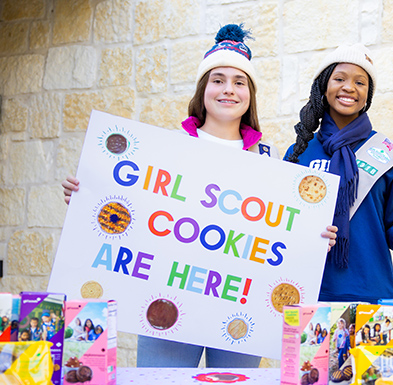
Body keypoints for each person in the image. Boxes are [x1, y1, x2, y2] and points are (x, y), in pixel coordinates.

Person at [61, 24, 338, 368]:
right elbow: (134, 210)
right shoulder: (164, 149)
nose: (228, 90)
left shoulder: (269, 161)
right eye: (218, 80)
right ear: (203, 89)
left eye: (239, 82)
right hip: (166, 304)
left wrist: (313, 238)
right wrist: (88, 196)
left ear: (250, 95)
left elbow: (280, 230)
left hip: (241, 308)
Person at [284, 43, 393, 304]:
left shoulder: (386, 155)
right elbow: (280, 225)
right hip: (308, 292)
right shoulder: (300, 152)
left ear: (367, 95)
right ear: (323, 88)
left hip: (371, 293)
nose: (349, 87)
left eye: (360, 83)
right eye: (339, 79)